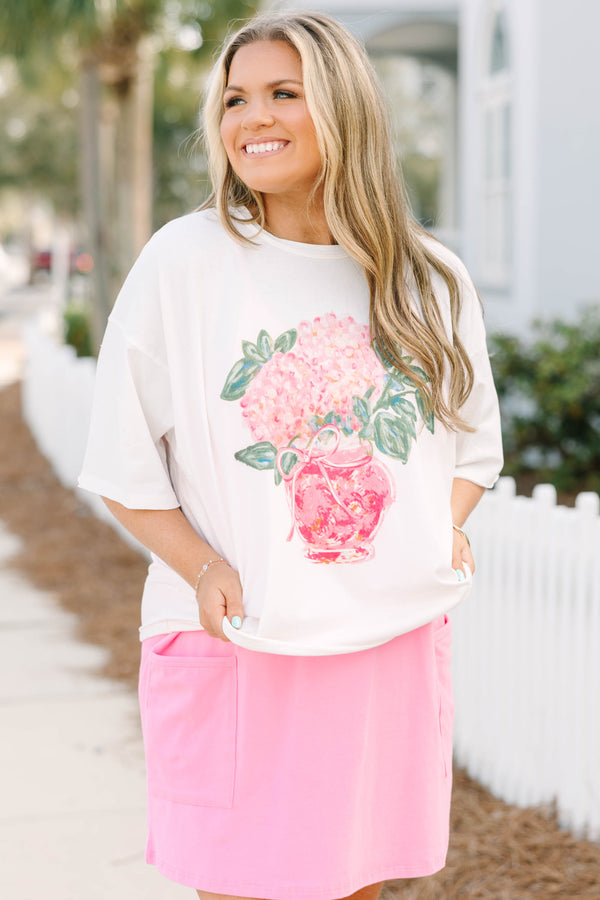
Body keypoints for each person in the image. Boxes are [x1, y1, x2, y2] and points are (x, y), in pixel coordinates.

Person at [78, 10, 503, 900]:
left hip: (382, 639)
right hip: (241, 642)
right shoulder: (186, 261)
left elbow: (471, 448)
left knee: (359, 888)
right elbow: (121, 463)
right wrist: (201, 567)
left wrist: (443, 525)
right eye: (234, 99)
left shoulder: (427, 278)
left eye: (282, 93)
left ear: (343, 107)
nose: (251, 118)